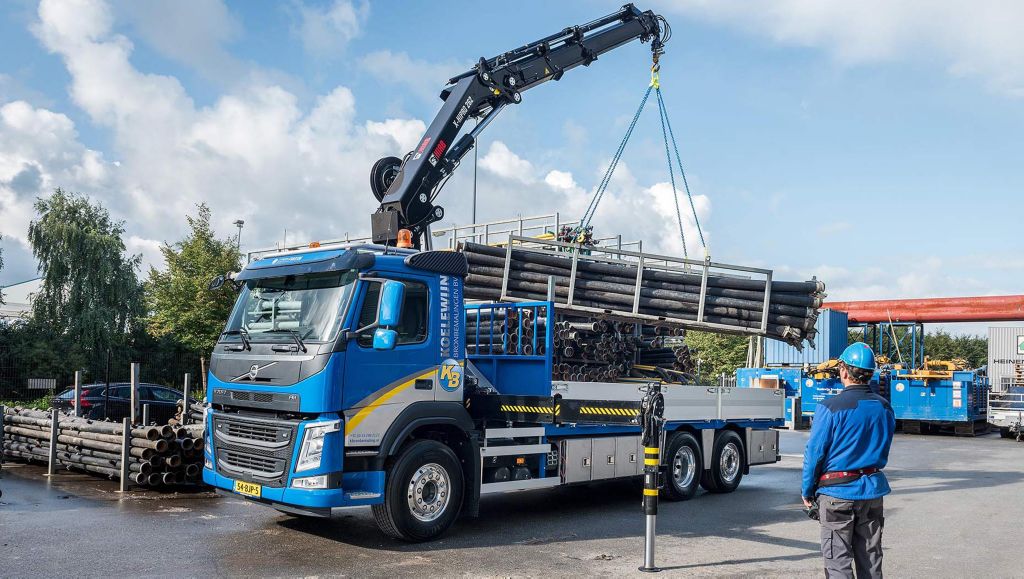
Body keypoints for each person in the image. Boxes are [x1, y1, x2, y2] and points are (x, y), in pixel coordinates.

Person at [802, 342, 895, 578]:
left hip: (837, 495)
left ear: (844, 371)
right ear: (870, 373)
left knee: (838, 563)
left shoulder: (830, 407)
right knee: (871, 559)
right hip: (872, 493)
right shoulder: (884, 408)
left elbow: (814, 453)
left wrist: (807, 490)